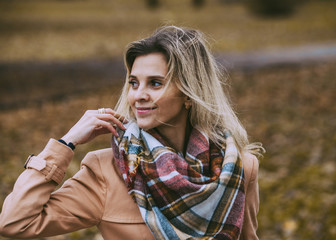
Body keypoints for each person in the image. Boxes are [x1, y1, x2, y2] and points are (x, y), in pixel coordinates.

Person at [0, 26, 263, 239]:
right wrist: (65, 143)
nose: (138, 95)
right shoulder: (106, 171)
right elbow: (15, 222)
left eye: (156, 83)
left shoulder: (238, 168)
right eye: (134, 83)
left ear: (189, 94)